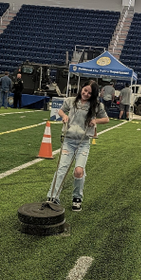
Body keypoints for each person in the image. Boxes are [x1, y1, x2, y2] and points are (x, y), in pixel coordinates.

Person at [46, 81, 109, 211]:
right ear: (81, 88)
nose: (86, 94)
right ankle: (53, 197)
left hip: (83, 142)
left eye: (90, 93)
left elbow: (106, 119)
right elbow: (61, 111)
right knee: (62, 169)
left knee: (79, 171)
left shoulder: (96, 105)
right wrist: (64, 116)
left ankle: (77, 198)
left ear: (93, 94)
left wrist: (95, 120)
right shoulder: (70, 100)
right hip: (68, 141)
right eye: (85, 90)